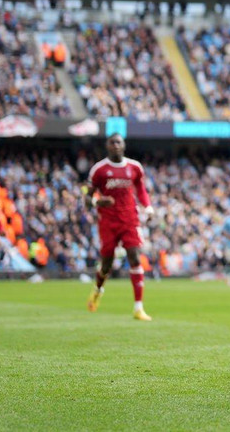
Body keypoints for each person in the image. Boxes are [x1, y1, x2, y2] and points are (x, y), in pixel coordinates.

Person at [86, 134, 154, 320]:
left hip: (130, 219)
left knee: (134, 257)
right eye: (112, 142)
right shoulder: (99, 170)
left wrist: (148, 207)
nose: (115, 145)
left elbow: (141, 190)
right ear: (107, 146)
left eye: (118, 142)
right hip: (108, 222)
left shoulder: (134, 167)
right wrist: (98, 202)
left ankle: (138, 307)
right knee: (106, 264)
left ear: (124, 145)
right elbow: (87, 199)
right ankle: (98, 289)